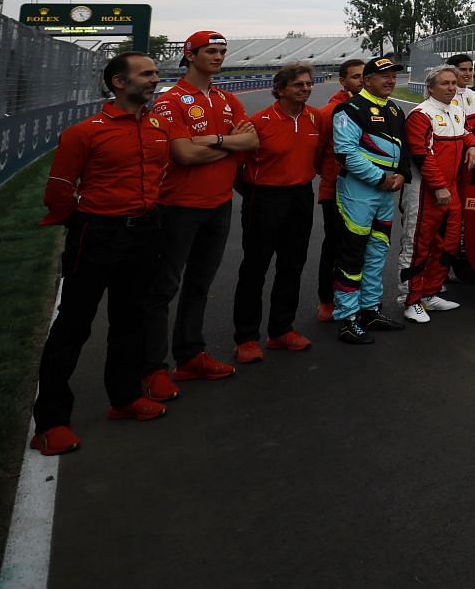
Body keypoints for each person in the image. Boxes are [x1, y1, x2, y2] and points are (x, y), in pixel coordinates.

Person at [30, 53, 171, 454]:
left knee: (131, 320)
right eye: (146, 74)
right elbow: (58, 189)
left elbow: (162, 174)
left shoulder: (159, 127)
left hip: (145, 232)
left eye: (156, 73)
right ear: (118, 83)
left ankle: (124, 398)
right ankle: (51, 421)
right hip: (96, 234)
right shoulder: (84, 132)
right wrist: (91, 219)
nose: (155, 79)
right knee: (73, 325)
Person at [142, 30, 255, 399]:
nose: (219, 56)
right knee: (162, 289)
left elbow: (251, 142)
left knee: (199, 286)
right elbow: (184, 156)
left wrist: (215, 141)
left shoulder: (226, 99)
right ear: (190, 55)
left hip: (219, 204)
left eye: (223, 51)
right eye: (211, 51)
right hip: (177, 206)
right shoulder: (170, 100)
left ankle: (190, 356)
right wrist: (229, 145)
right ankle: (152, 368)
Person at [232, 61, 326, 364]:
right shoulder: (258, 122)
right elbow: (236, 166)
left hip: (300, 195)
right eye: (299, 85)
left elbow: (322, 154)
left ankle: (281, 330)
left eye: (309, 84)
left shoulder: (315, 118)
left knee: (292, 265)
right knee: (255, 268)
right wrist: (256, 193)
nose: (306, 89)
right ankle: (246, 337)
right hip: (264, 197)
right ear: (281, 89)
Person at [330, 54, 409, 344]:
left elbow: (404, 150)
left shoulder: (395, 110)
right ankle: (347, 318)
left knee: (378, 251)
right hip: (358, 192)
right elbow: (345, 153)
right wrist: (380, 178)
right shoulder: (349, 109)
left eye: (394, 76)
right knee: (352, 254)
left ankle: (370, 309)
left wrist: (401, 174)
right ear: (367, 80)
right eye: (384, 76)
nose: (391, 81)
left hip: (386, 193)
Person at [402, 65, 475, 323]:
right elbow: (421, 154)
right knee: (418, 245)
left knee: (447, 244)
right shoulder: (421, 114)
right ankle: (411, 300)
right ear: (430, 87)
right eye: (445, 83)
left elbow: (468, 135)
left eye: (453, 83)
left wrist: (474, 147)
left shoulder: (456, 111)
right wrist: (439, 186)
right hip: (427, 191)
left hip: (451, 189)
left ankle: (430, 293)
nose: (451, 88)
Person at [315, 57, 363, 322]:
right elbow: (318, 154)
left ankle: (356, 297)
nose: (361, 81)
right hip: (335, 189)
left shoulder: (371, 107)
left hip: (364, 191)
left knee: (360, 247)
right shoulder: (328, 112)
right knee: (334, 246)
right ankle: (327, 300)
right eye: (355, 77)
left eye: (364, 76)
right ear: (342, 80)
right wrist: (332, 176)